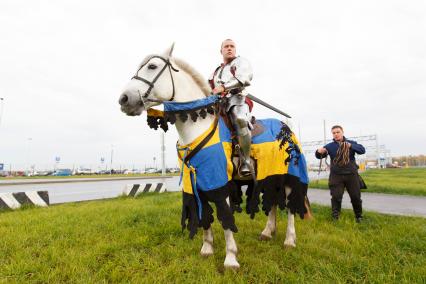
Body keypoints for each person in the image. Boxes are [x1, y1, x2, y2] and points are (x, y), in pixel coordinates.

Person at [208, 39, 254, 176]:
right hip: (218, 103)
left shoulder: (241, 62)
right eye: (226, 46)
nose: (229, 49)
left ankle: (245, 161)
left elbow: (244, 78)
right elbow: (208, 86)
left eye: (232, 46)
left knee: (240, 119)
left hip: (237, 98)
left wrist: (223, 87)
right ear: (221, 51)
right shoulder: (216, 71)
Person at [315, 125, 366, 222]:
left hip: (351, 174)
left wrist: (351, 146)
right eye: (334, 133)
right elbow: (319, 156)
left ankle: (359, 216)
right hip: (336, 175)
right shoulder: (329, 146)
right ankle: (335, 217)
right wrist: (318, 151)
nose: (336, 134)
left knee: (355, 197)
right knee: (336, 197)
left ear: (342, 132)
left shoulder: (351, 143)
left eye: (338, 132)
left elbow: (362, 150)